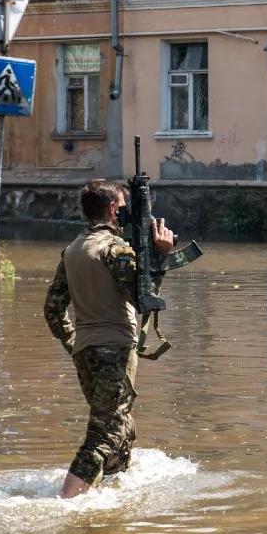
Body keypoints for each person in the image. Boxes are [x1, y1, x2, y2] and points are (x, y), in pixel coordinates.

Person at [43, 179, 176, 498]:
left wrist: (74, 343)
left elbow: (53, 308)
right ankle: (67, 502)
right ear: (113, 209)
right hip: (113, 349)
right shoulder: (114, 249)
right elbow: (142, 299)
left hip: (86, 351)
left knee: (123, 429)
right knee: (107, 431)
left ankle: (109, 494)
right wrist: (160, 257)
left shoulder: (74, 248)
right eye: (123, 207)